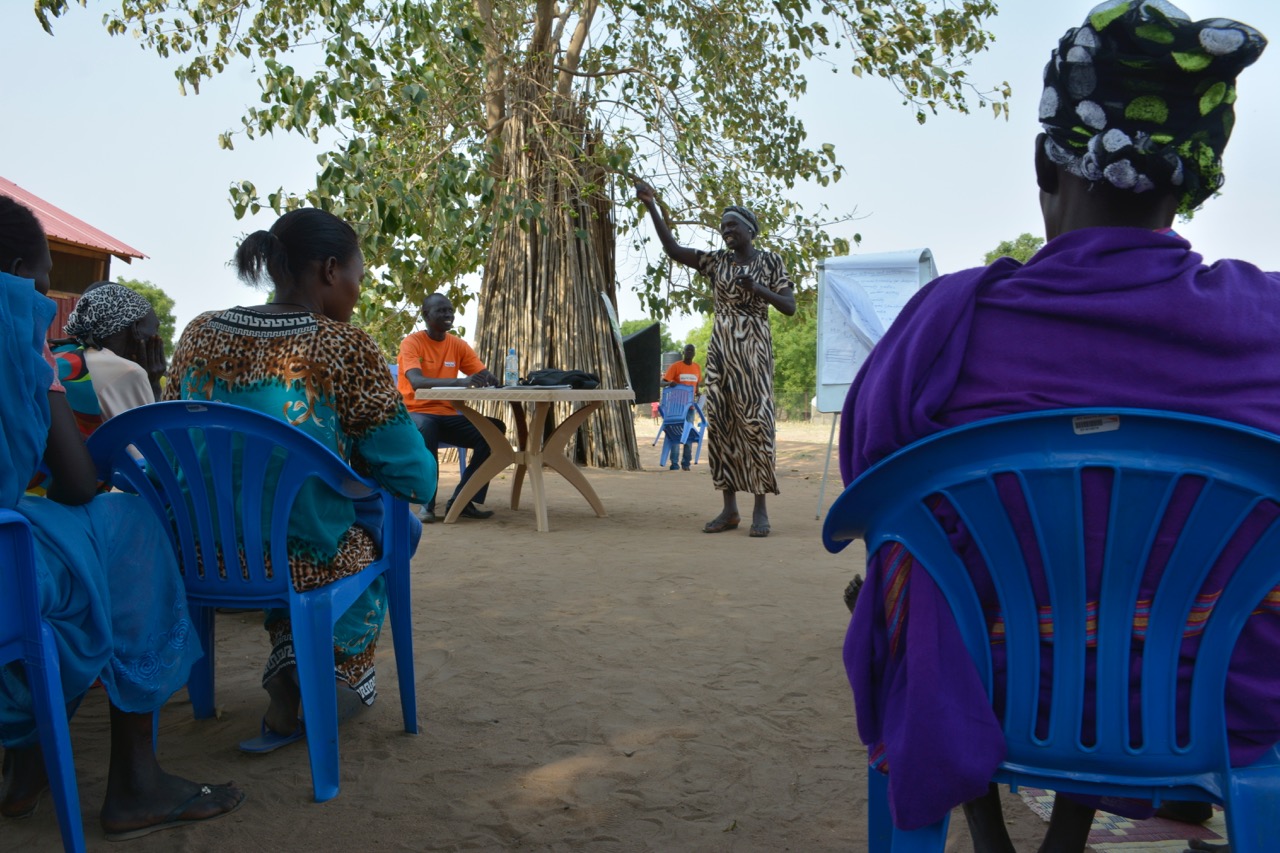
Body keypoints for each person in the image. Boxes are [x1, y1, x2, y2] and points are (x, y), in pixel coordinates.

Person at [838, 4, 1271, 852]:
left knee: (915, 565)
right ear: (1193, 181)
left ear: (1047, 161)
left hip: (999, 692)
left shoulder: (945, 326)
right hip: (1227, 702)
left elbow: (864, 492)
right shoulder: (1270, 323)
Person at [0, 196, 245, 840]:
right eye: (42, 283)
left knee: (75, 566)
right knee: (131, 529)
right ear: (21, 270)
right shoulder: (30, 344)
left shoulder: (70, 361)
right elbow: (81, 481)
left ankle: (28, 761)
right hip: (11, 551)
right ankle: (134, 780)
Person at [165, 207, 437, 753]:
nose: (358, 293)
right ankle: (325, 677)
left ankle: (288, 659)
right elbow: (411, 473)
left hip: (199, 553)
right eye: (358, 277)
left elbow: (171, 438)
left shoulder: (197, 334)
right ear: (331, 270)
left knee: (298, 512)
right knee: (394, 529)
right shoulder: (345, 346)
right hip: (297, 557)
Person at [635, 184, 796, 536]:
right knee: (721, 424)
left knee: (756, 423)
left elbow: (789, 306)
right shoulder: (716, 261)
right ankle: (729, 509)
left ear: (750, 230)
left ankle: (760, 508)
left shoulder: (770, 262)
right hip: (722, 350)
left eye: (732, 226)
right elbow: (673, 249)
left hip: (752, 351)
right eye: (722, 227)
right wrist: (652, 206)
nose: (726, 231)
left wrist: (759, 290)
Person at [397, 293, 503, 523]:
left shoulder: (456, 344)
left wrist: (490, 379)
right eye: (442, 311)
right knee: (427, 427)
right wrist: (460, 382)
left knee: (494, 431)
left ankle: (463, 500)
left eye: (450, 311)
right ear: (426, 315)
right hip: (416, 414)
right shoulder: (412, 343)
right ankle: (427, 504)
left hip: (447, 415)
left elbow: (480, 373)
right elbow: (417, 381)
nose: (448, 315)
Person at [52, 281, 166, 438]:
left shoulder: (56, 354)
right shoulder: (129, 372)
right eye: (155, 328)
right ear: (136, 329)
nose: (157, 337)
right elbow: (149, 450)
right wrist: (154, 386)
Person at [660, 344, 702, 471]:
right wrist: (669, 383)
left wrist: (698, 393)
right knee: (676, 434)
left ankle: (686, 463)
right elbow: (662, 382)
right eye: (687, 350)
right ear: (683, 352)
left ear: (694, 353)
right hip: (676, 407)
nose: (689, 352)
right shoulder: (676, 366)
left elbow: (696, 386)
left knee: (688, 433)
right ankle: (674, 463)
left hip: (690, 408)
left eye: (691, 350)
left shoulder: (697, 367)